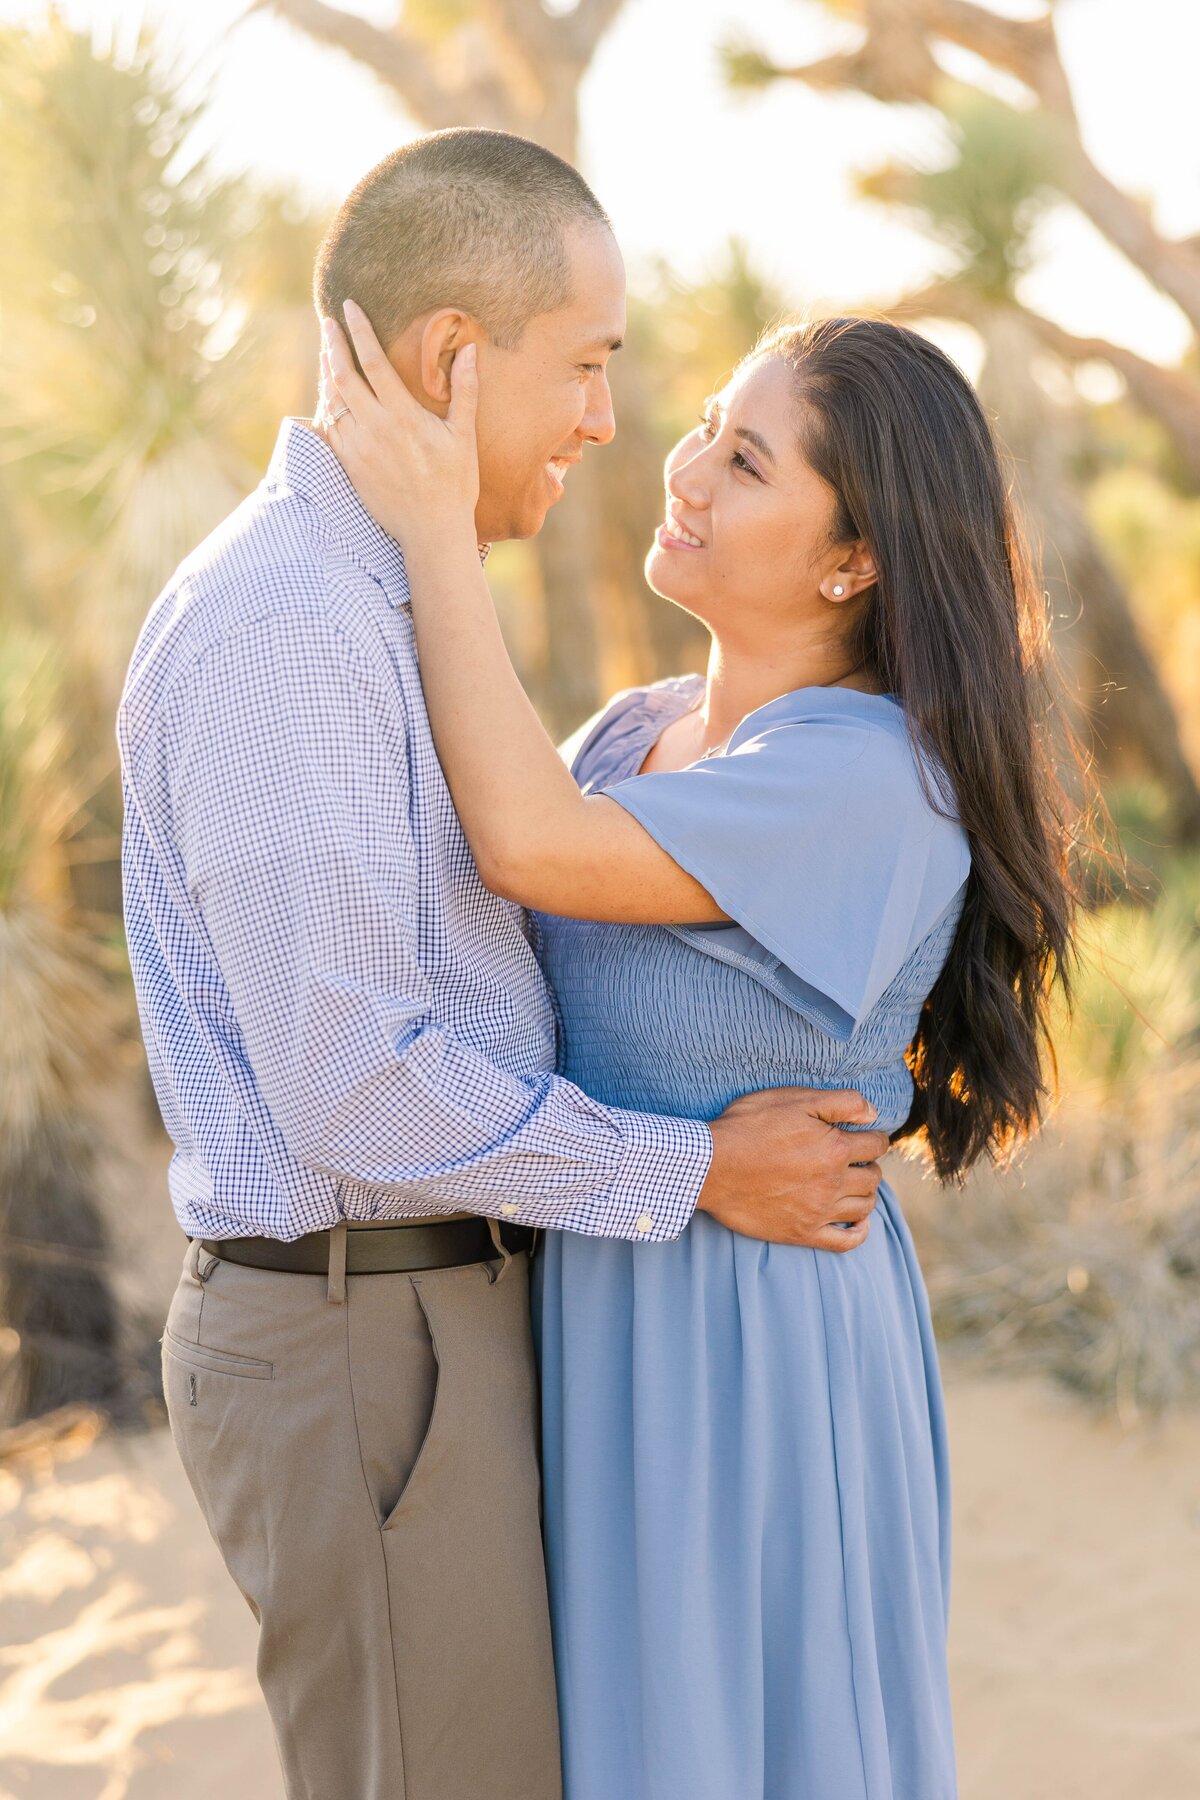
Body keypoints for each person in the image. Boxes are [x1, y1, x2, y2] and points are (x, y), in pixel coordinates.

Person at [117, 130, 888, 1800]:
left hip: (434, 1318)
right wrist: (689, 1170)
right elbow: (348, 1080)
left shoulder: (386, 600)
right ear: (456, 360)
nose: (614, 427)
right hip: (358, 1333)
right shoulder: (298, 628)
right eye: (592, 369)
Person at [321, 305, 1088, 1799]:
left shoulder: (868, 775)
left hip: (751, 1339)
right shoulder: (634, 732)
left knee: (736, 1742)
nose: (685, 468)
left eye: (744, 460)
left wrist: (431, 527)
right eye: (707, 429)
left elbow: (522, 844)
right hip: (606, 1299)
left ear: (852, 559)